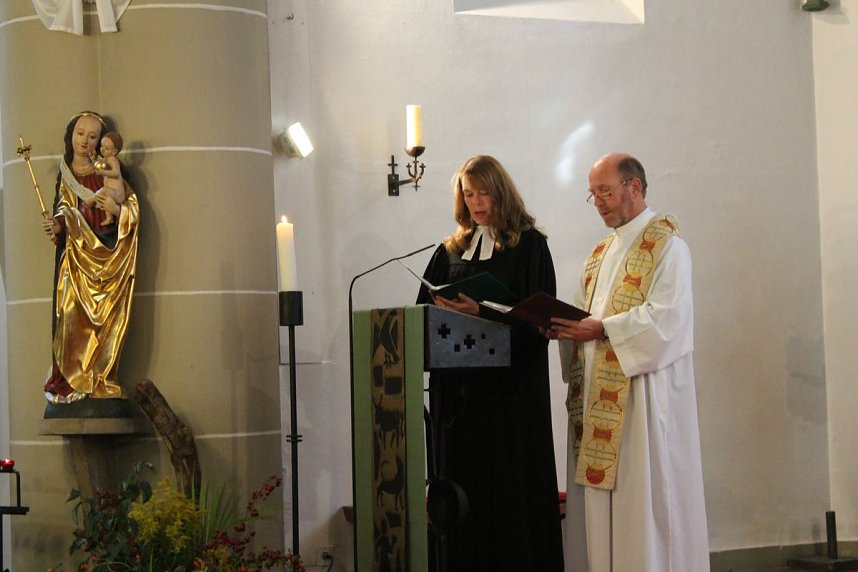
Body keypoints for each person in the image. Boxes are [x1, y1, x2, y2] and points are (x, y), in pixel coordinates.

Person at [546, 153, 709, 571]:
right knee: (602, 514)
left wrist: (600, 329)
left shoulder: (668, 246)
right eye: (592, 194)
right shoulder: (600, 253)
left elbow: (667, 319)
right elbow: (586, 315)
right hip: (599, 402)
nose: (598, 202)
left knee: (642, 503)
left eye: (605, 191)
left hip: (643, 402)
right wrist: (562, 329)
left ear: (634, 187)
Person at [417, 155, 564, 571]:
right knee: (463, 495)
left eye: (483, 192)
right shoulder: (449, 250)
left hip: (507, 399)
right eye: (468, 193)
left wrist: (483, 312)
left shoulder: (530, 244)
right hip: (459, 398)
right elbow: (421, 311)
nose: (477, 202)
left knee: (506, 495)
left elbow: (541, 319)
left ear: (501, 192)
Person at [41, 111, 140, 404]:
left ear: (101, 142)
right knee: (69, 314)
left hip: (108, 254)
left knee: (105, 320)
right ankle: (70, 380)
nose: (85, 141)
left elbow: (130, 206)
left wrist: (118, 209)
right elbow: (63, 208)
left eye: (92, 136)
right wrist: (58, 223)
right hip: (74, 259)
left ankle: (99, 376)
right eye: (80, 133)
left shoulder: (107, 168)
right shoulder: (66, 174)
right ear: (71, 135)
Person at [89, 131, 126, 226]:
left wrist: (103, 172)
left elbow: (116, 173)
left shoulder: (113, 160)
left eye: (106, 148)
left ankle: (91, 201)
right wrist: (93, 159)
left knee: (103, 191)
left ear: (114, 152)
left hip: (117, 193)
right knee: (104, 197)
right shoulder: (105, 159)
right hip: (111, 192)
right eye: (102, 146)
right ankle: (109, 218)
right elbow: (98, 166)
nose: (102, 149)